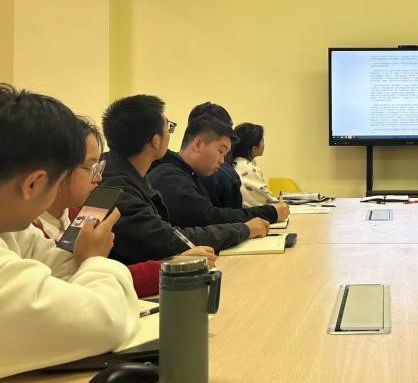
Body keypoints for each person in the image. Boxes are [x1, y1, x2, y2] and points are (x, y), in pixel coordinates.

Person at [0, 84, 138, 378]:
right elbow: (105, 323)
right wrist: (95, 260)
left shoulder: (10, 228)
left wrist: (86, 261)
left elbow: (59, 267)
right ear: (33, 183)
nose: (97, 179)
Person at [36, 117, 216, 297]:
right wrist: (91, 261)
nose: (98, 178)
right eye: (90, 167)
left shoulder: (77, 213)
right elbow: (73, 294)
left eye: (99, 167)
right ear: (56, 168)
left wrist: (174, 266)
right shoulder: (30, 232)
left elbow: (113, 276)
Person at [101, 95, 268, 265]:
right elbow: (168, 240)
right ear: (156, 141)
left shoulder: (124, 174)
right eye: (169, 127)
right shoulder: (115, 187)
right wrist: (244, 229)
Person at [148, 104, 289, 228]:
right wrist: (270, 213)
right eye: (221, 151)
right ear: (198, 144)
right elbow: (209, 218)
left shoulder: (189, 174)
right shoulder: (170, 176)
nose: (222, 161)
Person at [232, 123, 279, 207]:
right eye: (262, 140)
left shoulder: (235, 163)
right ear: (254, 148)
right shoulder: (249, 169)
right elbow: (267, 199)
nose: (264, 144)